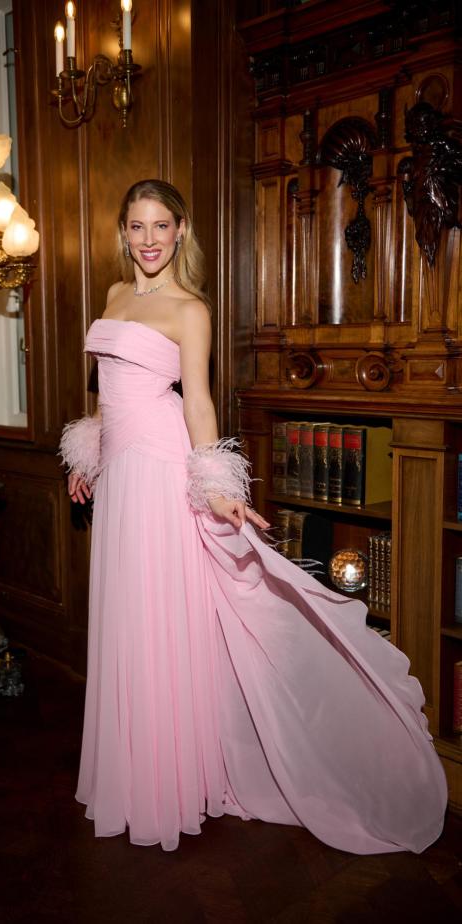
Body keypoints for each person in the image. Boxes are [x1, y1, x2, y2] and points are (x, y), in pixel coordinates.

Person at [60, 179, 447, 854]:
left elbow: (199, 404)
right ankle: (133, 768)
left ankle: (170, 781)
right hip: (120, 478)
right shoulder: (116, 297)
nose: (148, 239)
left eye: (160, 226)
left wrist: (215, 487)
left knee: (160, 619)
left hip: (160, 475)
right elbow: (108, 394)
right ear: (123, 232)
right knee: (126, 618)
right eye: (136, 227)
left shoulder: (191, 309)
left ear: (181, 231)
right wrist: (86, 454)